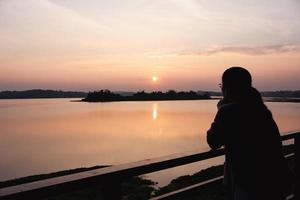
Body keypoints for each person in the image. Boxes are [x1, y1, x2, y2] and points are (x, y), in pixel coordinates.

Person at [207, 67, 293, 200]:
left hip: (249, 183)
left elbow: (213, 142)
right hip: (275, 179)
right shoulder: (260, 109)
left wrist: (220, 109)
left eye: (221, 85)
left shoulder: (227, 111)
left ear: (227, 88)